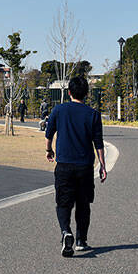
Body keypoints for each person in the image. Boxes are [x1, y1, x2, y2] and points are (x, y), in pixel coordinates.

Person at [45, 76, 107, 257]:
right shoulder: (93, 114)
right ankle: (81, 240)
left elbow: (49, 133)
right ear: (86, 93)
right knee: (83, 204)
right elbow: (98, 143)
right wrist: (102, 165)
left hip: (64, 164)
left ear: (69, 92)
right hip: (85, 166)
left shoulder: (59, 110)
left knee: (63, 203)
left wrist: (48, 150)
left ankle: (66, 231)